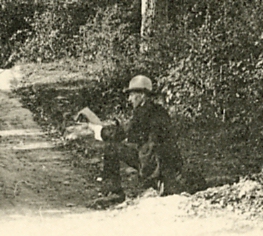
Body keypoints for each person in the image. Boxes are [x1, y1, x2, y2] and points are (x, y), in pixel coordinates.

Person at [88, 75, 184, 208]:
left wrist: (100, 131)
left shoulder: (142, 112)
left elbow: (121, 134)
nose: (129, 99)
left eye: (132, 95)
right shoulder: (160, 111)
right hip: (170, 165)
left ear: (142, 95)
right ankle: (158, 183)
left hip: (152, 165)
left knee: (111, 147)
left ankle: (113, 192)